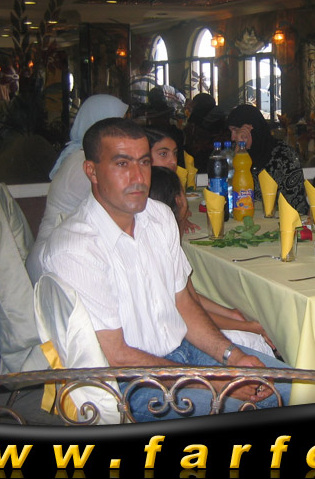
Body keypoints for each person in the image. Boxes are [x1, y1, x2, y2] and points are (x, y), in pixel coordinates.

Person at [41, 118, 290, 421]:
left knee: (292, 387)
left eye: (144, 162)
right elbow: (116, 355)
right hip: (129, 383)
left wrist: (232, 356)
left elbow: (184, 303)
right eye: (122, 164)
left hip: (184, 352)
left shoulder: (158, 216)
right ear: (91, 171)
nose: (138, 177)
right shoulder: (77, 247)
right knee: (244, 408)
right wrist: (216, 383)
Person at [149, 166, 276, 355]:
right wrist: (249, 327)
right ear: (179, 201)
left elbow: (189, 295)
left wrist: (231, 314)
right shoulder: (161, 249)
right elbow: (188, 311)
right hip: (174, 340)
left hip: (179, 325)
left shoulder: (163, 239)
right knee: (254, 341)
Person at [26, 94, 129, 284]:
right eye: (120, 124)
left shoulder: (80, 154)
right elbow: (124, 208)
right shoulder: (85, 164)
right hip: (55, 264)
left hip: (65, 250)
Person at [227, 104, 308, 214]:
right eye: (231, 131)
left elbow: (295, 204)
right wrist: (239, 155)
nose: (232, 137)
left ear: (252, 129)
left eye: (236, 130)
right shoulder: (235, 152)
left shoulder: (283, 155)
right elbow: (229, 190)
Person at [145, 127, 200, 234]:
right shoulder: (143, 189)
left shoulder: (170, 182)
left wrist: (178, 218)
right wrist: (180, 220)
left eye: (175, 153)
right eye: (163, 154)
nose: (173, 161)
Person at [183, 93, 229, 172]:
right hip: (221, 161)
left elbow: (190, 138)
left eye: (193, 105)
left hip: (204, 160)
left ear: (197, 105)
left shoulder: (197, 116)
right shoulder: (222, 116)